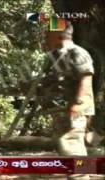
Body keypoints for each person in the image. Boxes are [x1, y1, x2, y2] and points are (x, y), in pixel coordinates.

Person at [43, 21, 94, 179]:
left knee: (72, 147)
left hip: (75, 108)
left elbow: (86, 79)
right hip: (64, 108)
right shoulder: (59, 55)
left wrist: (78, 105)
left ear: (59, 35)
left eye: (48, 33)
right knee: (67, 148)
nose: (45, 36)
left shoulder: (76, 52)